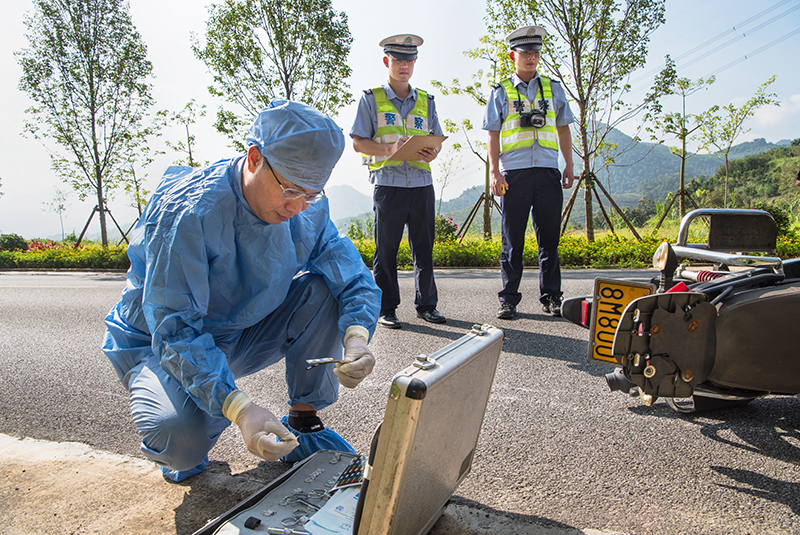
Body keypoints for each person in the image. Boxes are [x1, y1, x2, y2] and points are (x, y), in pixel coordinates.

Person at [102, 100, 381, 483]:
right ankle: (189, 430)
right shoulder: (190, 212)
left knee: (324, 287)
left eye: (311, 194)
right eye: (290, 190)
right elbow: (176, 328)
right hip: (160, 343)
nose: (297, 206)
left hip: (239, 332)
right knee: (179, 438)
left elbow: (350, 274)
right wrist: (240, 409)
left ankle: (303, 420)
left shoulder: (306, 207)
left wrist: (357, 337)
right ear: (254, 158)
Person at [350, 33, 446, 329]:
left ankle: (427, 305)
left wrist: (433, 151)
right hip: (388, 185)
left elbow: (437, 139)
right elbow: (358, 143)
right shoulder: (371, 99)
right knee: (386, 250)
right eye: (398, 60)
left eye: (409, 60)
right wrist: (390, 149)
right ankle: (386, 308)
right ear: (386, 61)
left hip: (420, 184)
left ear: (415, 63)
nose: (404, 65)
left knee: (424, 248)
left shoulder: (426, 102)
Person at [483, 25, 575, 320]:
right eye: (526, 53)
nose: (532, 58)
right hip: (515, 174)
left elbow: (563, 128)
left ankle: (552, 297)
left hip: (548, 171)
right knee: (513, 240)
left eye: (536, 53)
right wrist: (495, 173)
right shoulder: (501, 91)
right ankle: (509, 299)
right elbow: (493, 134)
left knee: (549, 239)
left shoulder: (553, 88)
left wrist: (569, 165)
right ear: (513, 55)